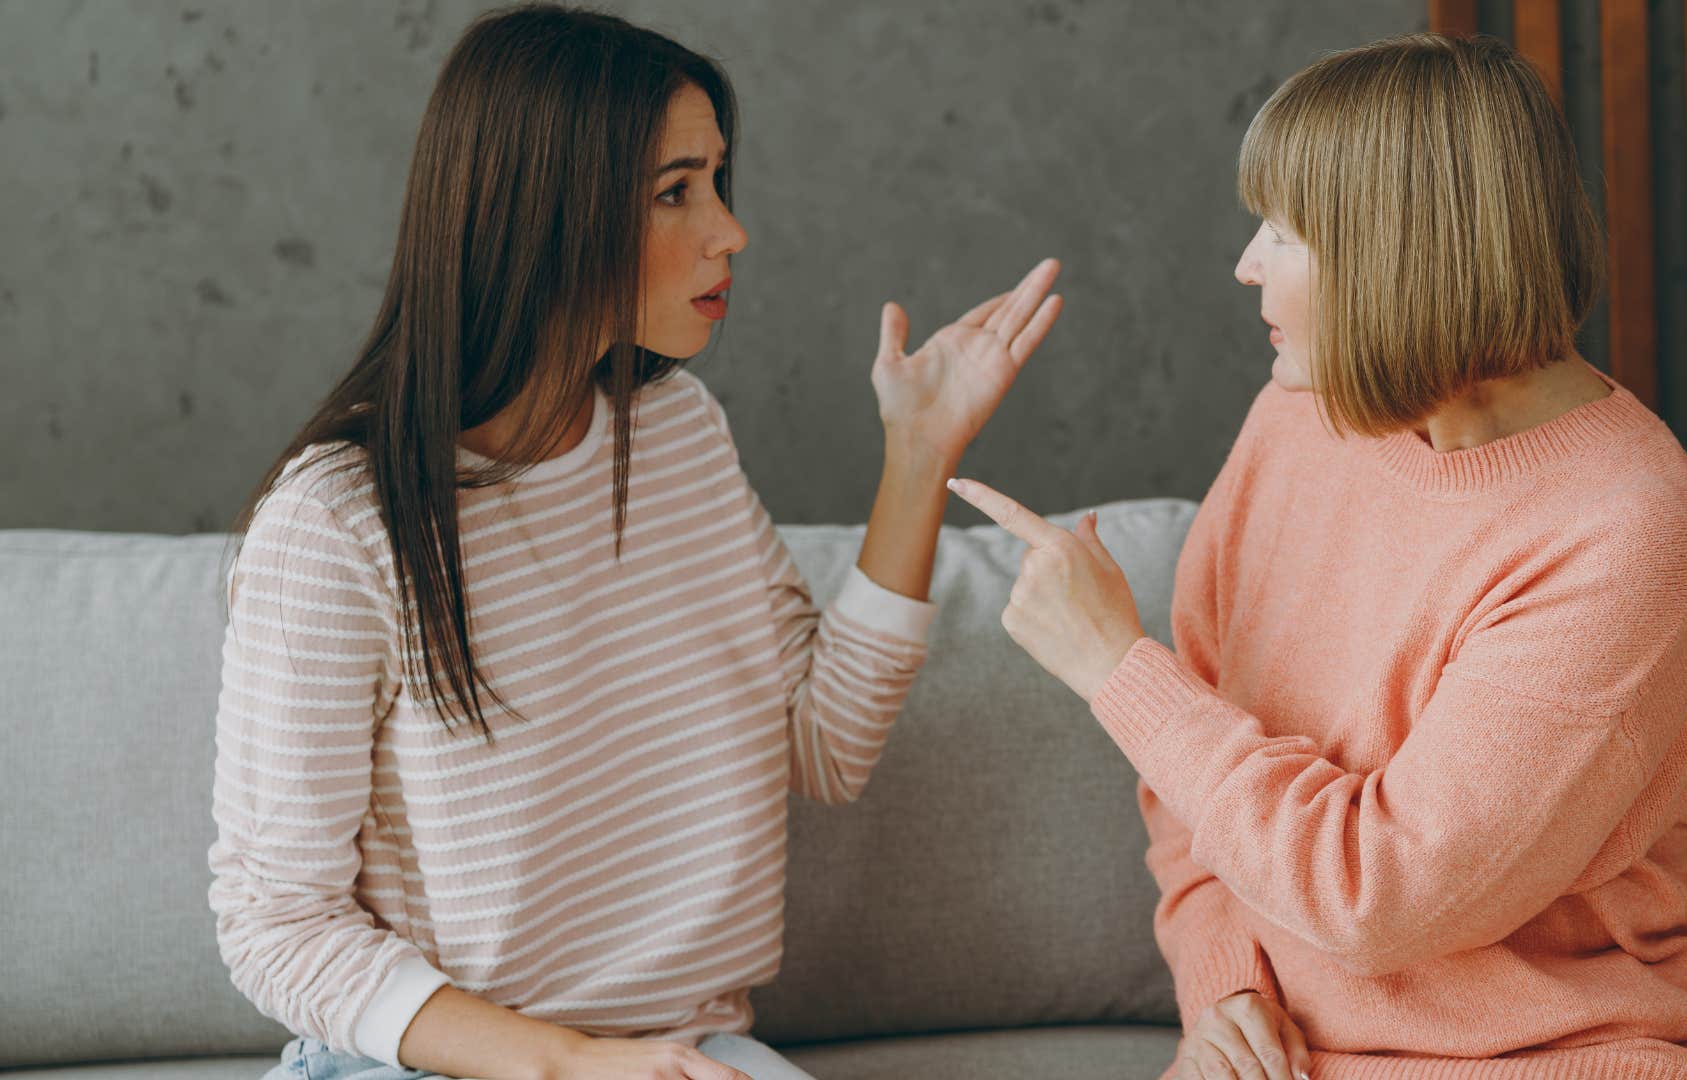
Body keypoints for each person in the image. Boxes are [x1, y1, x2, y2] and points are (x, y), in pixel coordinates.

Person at [208, 6, 1061, 1079]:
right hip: (433, 1063)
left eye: (717, 180)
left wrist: (918, 452)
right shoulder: (339, 522)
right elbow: (275, 924)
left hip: (685, 1054)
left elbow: (826, 744)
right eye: (675, 192)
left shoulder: (677, 434)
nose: (730, 230)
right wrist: (571, 1063)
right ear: (542, 214)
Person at [949, 32, 1687, 1080]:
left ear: (1395, 250)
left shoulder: (1626, 530)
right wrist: (1223, 981)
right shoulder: (1300, 419)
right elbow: (1196, 766)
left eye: (1283, 231)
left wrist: (1111, 668)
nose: (1245, 265)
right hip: (1292, 1054)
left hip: (1578, 1051)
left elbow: (1380, 897)